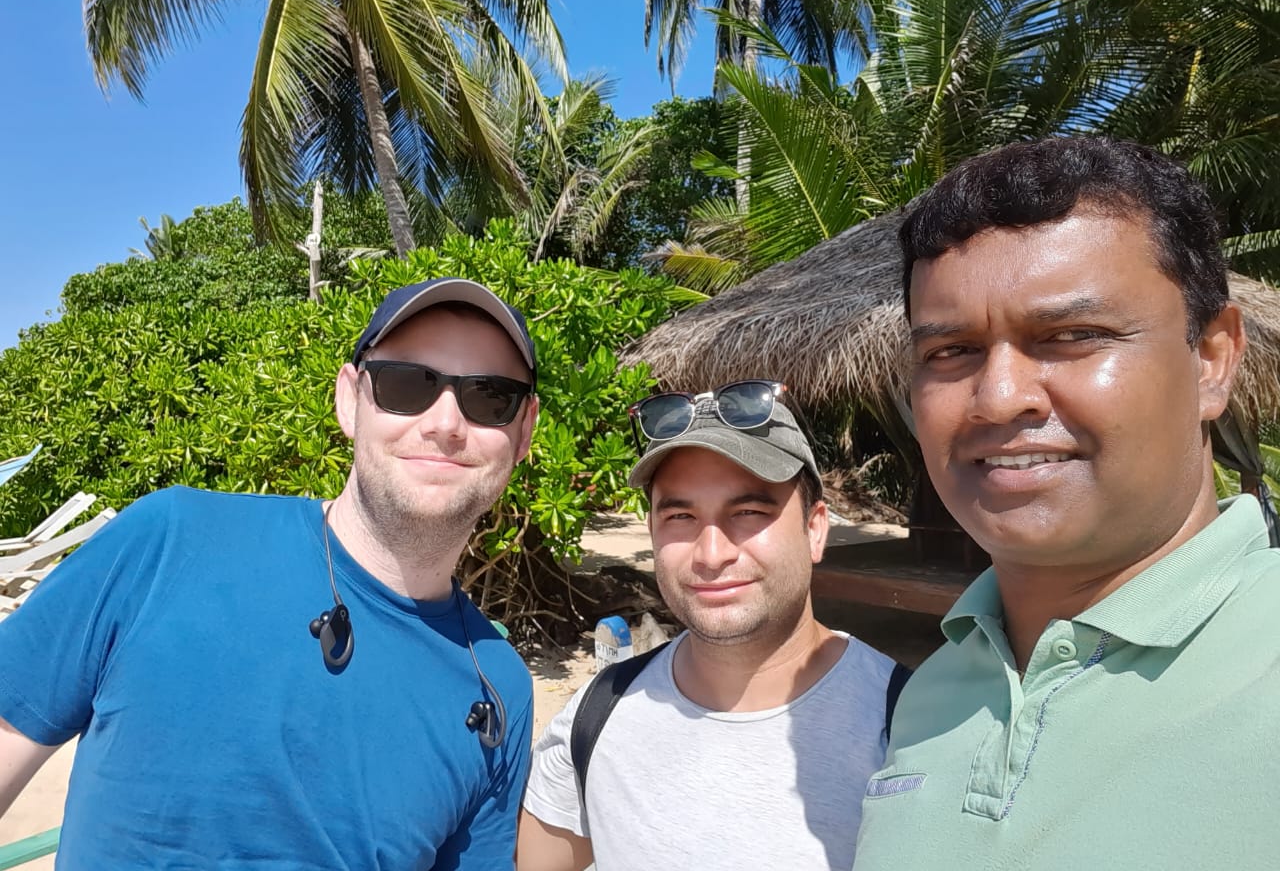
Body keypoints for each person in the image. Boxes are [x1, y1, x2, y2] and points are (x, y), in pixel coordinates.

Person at [0, 278, 540, 869]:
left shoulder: (500, 687)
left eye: (490, 398)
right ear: (349, 400)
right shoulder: (170, 538)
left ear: (524, 432)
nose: (445, 424)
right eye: (407, 384)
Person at [853, 136, 1280, 869]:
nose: (998, 397)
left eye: (1074, 336)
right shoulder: (931, 696)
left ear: (1212, 361)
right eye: (950, 353)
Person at [518, 382, 900, 871]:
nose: (712, 553)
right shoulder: (595, 717)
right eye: (680, 515)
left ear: (815, 529)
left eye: (747, 512)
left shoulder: (910, 728)